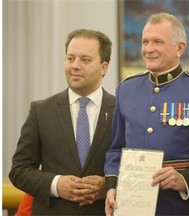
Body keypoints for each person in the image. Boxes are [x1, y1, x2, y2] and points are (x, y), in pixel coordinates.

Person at [104, 12, 189, 216]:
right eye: (145, 42)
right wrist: (112, 187)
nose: (149, 49)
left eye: (158, 42)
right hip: (130, 207)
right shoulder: (126, 89)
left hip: (179, 208)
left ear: (180, 48)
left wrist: (186, 179)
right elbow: (116, 149)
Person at [9, 29, 115, 215]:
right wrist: (56, 185)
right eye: (70, 58)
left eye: (85, 59)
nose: (74, 65)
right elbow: (19, 171)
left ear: (104, 67)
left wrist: (109, 185)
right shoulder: (41, 111)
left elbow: (137, 168)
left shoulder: (122, 111)